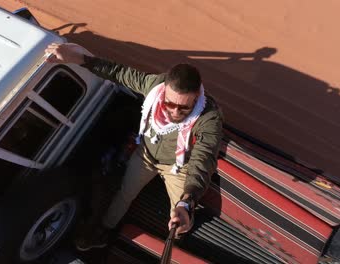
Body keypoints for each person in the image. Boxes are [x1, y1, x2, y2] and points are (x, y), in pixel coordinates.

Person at [45, 43, 223, 251]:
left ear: (197, 98)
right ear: (164, 90)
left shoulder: (210, 117)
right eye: (169, 104)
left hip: (178, 165)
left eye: (184, 107)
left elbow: (203, 160)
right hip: (145, 155)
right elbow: (119, 73)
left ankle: (176, 241)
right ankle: (103, 231)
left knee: (182, 216)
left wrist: (187, 201)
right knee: (123, 194)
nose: (174, 112)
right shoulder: (153, 85)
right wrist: (81, 59)